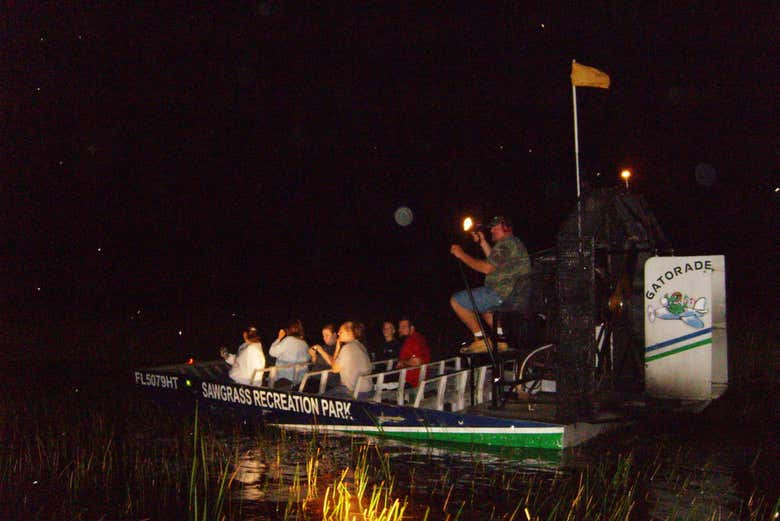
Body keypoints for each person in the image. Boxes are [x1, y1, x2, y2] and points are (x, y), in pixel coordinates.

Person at [449, 215, 530, 352]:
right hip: (512, 294)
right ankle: (500, 339)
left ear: (506, 228)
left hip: (502, 293)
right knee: (485, 306)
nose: (491, 230)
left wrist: (461, 254)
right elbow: (495, 261)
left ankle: (481, 339)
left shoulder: (507, 243)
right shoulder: (513, 244)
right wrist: (483, 242)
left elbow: (487, 268)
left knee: (457, 301)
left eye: (495, 227)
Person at [310, 320, 372, 399]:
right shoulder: (360, 345)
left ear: (349, 333)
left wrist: (337, 347)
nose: (338, 333)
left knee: (320, 400)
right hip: (368, 389)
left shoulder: (347, 348)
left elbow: (335, 369)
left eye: (341, 332)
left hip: (354, 391)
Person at [268, 319, 311, 389]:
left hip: (286, 380)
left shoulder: (288, 340)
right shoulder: (304, 343)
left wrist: (279, 338)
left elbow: (272, 352)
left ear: (289, 329)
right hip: (300, 381)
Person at [396, 317, 431, 387]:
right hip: (409, 378)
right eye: (399, 327)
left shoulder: (414, 340)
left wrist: (402, 362)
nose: (400, 330)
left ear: (412, 328)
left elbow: (417, 361)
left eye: (403, 327)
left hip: (411, 381)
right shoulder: (414, 338)